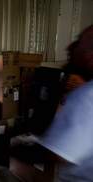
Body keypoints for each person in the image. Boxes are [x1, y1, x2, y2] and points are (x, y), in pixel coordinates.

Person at [37, 25, 93, 181]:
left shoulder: (86, 96)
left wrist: (14, 149)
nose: (69, 46)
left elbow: (57, 154)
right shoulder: (76, 83)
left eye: (80, 42)